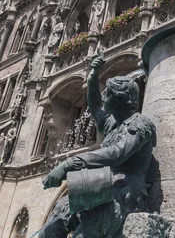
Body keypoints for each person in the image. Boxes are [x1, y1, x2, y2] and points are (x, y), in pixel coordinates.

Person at [39, 49, 156, 238]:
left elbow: (116, 154)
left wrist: (70, 163)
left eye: (107, 94)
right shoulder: (112, 124)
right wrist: (93, 76)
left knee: (84, 234)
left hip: (126, 188)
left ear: (119, 99)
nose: (104, 97)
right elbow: (94, 106)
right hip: (100, 182)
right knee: (51, 228)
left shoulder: (141, 124)